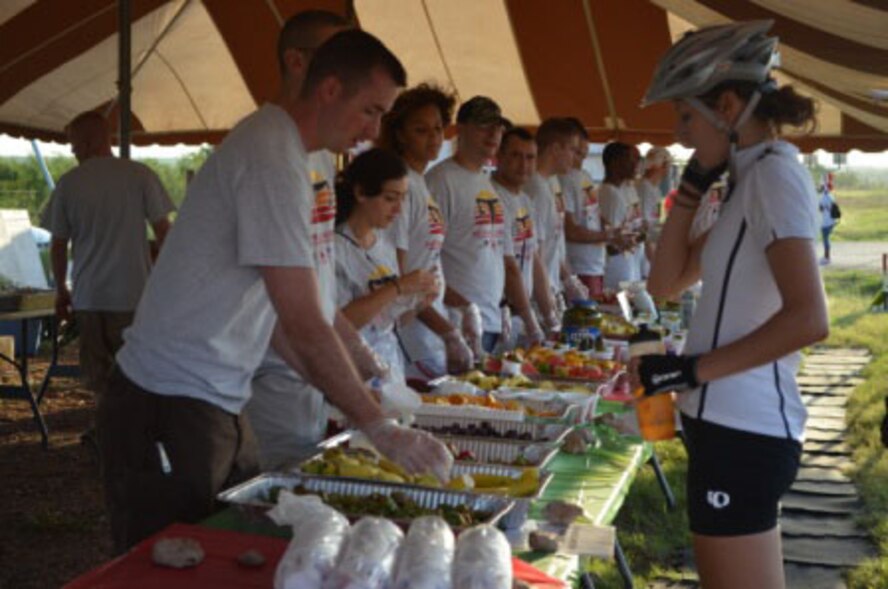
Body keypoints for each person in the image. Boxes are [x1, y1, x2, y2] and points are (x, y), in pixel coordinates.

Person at [101, 29, 452, 553]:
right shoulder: (269, 155)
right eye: (371, 111)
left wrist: (369, 375)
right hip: (169, 397)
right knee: (171, 561)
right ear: (330, 89)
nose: (375, 129)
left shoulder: (298, 159)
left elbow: (306, 309)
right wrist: (377, 425)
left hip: (217, 397)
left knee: (230, 545)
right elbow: (301, 324)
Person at [636, 20, 828, 589]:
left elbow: (809, 318)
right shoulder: (744, 181)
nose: (680, 133)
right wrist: (693, 187)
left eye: (686, 117)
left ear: (727, 105)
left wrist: (694, 369)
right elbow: (665, 282)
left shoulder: (774, 176)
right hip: (721, 425)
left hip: (744, 428)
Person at [244, 10, 380, 471]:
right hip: (261, 371)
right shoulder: (269, 152)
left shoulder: (319, 155)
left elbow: (316, 291)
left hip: (303, 370)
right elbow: (294, 316)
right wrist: (372, 416)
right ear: (298, 63)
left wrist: (359, 357)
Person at [49, 111, 174, 405]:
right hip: (133, 297)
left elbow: (58, 245)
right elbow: (165, 233)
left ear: (91, 141)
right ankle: (136, 438)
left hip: (89, 298)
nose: (72, 151)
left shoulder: (69, 183)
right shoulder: (141, 175)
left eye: (75, 145)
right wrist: (168, 281)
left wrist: (61, 291)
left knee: (99, 381)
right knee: (137, 376)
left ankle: (105, 436)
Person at [377, 84, 473, 379]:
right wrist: (448, 333)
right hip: (410, 335)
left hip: (431, 328)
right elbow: (398, 275)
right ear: (400, 134)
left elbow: (430, 261)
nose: (433, 138)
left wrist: (461, 307)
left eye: (438, 129)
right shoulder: (400, 186)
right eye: (421, 130)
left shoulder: (420, 183)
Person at [334, 148, 439, 384]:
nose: (398, 209)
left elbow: (394, 321)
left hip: (388, 369)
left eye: (403, 199)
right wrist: (398, 287)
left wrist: (418, 300)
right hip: (350, 374)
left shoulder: (384, 245)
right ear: (361, 192)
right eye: (390, 199)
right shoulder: (334, 248)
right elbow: (340, 321)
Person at [427, 96, 510, 354]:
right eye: (484, 126)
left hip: (491, 317)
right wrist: (463, 307)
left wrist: (504, 303)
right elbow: (426, 260)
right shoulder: (440, 181)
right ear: (461, 129)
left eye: (498, 127)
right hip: (458, 323)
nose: (493, 134)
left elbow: (493, 254)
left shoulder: (486, 181)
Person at [491, 127, 558, 346]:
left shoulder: (525, 200)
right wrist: (531, 320)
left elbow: (534, 258)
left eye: (530, 157)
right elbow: (508, 266)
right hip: (500, 313)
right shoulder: (492, 196)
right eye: (515, 156)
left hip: (522, 310)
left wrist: (550, 315)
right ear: (498, 157)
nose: (524, 164)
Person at [524, 117, 588, 311]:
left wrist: (568, 278)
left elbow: (555, 243)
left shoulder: (551, 183)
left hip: (551, 288)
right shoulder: (536, 189)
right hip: (538, 297)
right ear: (555, 148)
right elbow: (536, 253)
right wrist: (546, 303)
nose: (575, 158)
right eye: (572, 150)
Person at [560, 117, 617, 298]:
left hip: (595, 263)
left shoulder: (585, 175)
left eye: (584, 153)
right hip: (578, 264)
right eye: (576, 152)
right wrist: (607, 235)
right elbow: (570, 230)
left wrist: (612, 231)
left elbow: (595, 212)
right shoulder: (564, 178)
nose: (579, 159)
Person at [599, 142, 643, 290]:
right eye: (630, 159)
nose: (636, 164)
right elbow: (611, 245)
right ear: (615, 163)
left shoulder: (623, 190)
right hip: (617, 271)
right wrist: (640, 236)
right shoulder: (610, 195)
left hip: (629, 266)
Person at [636, 146, 672, 278]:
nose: (668, 170)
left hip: (651, 254)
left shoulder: (653, 189)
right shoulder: (645, 188)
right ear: (661, 167)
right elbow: (644, 226)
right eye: (668, 165)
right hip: (645, 258)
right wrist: (654, 261)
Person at [818, 174, 839, 265]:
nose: (820, 188)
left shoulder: (823, 197)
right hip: (831, 221)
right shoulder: (831, 196)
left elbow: (820, 209)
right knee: (826, 239)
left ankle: (827, 258)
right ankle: (826, 257)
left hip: (826, 222)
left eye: (821, 187)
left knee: (825, 239)